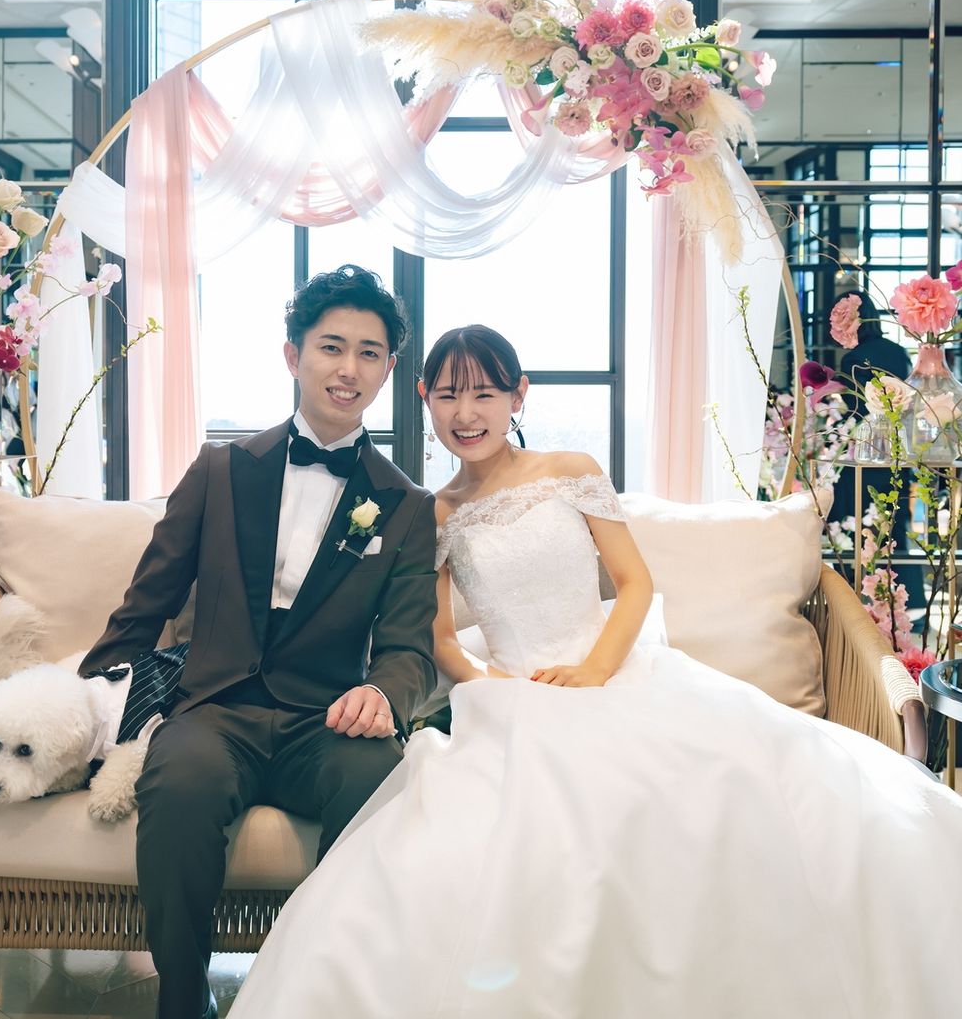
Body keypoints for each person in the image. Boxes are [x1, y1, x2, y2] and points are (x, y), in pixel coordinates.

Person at [227, 324, 962, 1018]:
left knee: (724, 787)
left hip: (615, 675)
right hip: (512, 698)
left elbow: (634, 583)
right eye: (447, 395)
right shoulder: (435, 513)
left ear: (518, 395)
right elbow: (442, 639)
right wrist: (498, 689)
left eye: (484, 393)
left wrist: (593, 671)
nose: (465, 413)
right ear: (424, 399)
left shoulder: (571, 472)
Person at [78, 265, 438, 1019]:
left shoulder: (405, 505)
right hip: (215, 709)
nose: (348, 368)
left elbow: (409, 646)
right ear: (292, 355)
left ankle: (332, 996)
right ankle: (183, 1000)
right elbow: (148, 603)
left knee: (381, 780)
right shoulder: (220, 469)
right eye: (331, 347)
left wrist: (383, 693)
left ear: (389, 371)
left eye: (369, 353)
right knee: (180, 784)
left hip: (328, 718)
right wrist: (83, 703)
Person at [828, 290, 924, 608]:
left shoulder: (853, 359)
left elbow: (856, 411)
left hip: (866, 451)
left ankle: (858, 601)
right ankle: (907, 602)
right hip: (897, 451)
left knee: (858, 525)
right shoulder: (898, 352)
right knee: (894, 527)